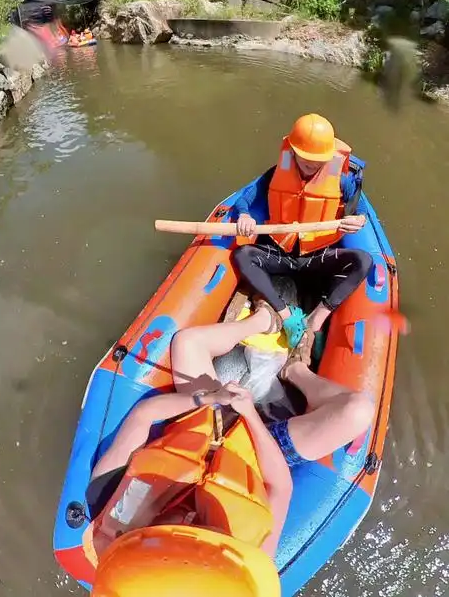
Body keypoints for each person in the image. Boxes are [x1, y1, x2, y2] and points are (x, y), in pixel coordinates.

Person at [82, 305, 374, 597]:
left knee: (188, 342)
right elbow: (280, 487)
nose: (195, 522)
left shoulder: (112, 510)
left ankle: (263, 321)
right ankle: (296, 370)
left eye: (194, 533)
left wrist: (209, 398)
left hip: (205, 416)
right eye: (214, 540)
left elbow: (145, 415)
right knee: (358, 411)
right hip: (256, 456)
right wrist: (249, 416)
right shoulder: (248, 557)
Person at [233, 113, 372, 358]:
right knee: (243, 255)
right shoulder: (276, 172)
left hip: (316, 257)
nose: (311, 163)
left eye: (318, 159)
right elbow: (246, 198)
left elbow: (360, 209)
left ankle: (316, 320)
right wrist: (244, 215)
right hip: (280, 253)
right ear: (293, 150)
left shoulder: (342, 180)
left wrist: (359, 219)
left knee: (364, 261)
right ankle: (286, 316)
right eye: (305, 156)